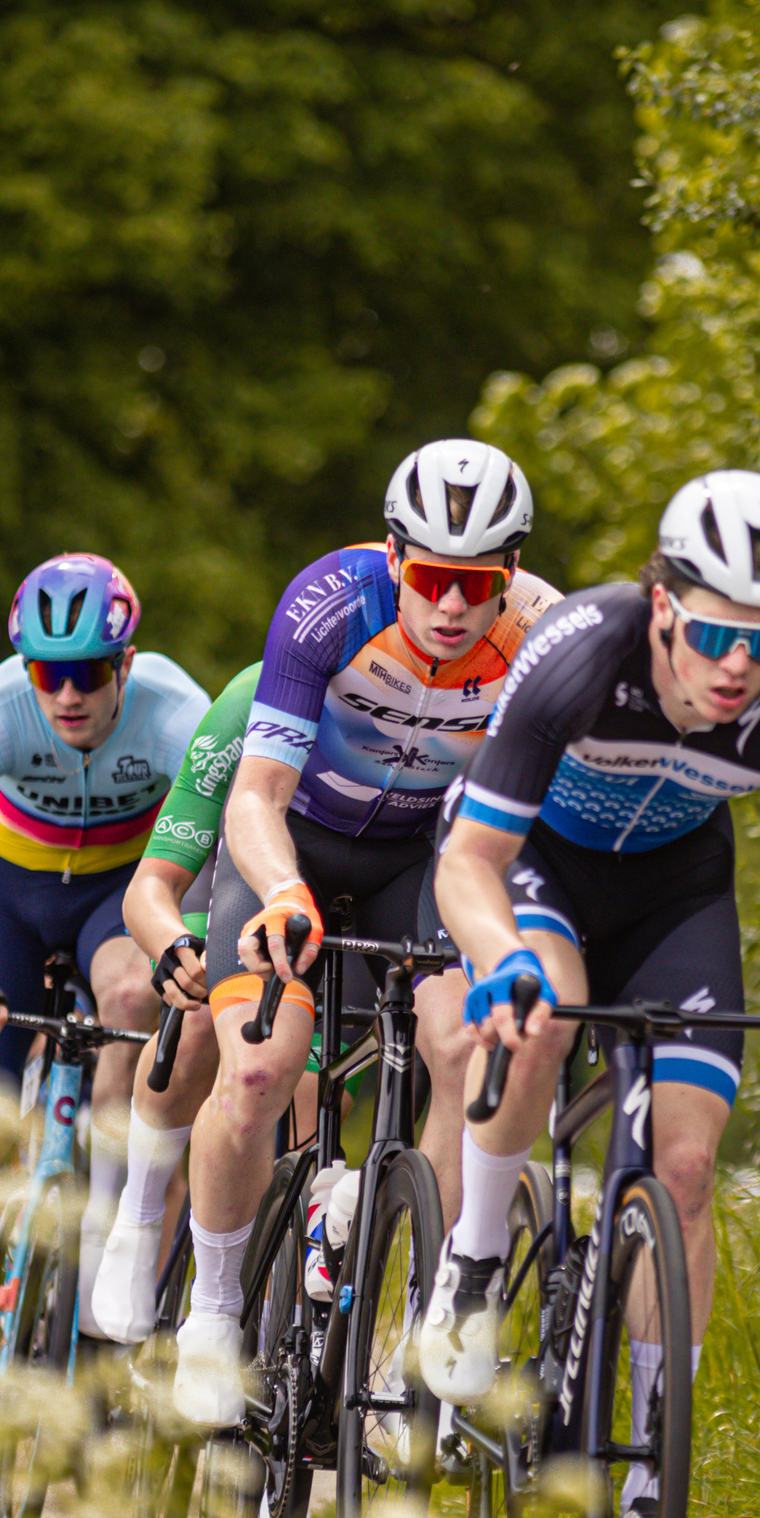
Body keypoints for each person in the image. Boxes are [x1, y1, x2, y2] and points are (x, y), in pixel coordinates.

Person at [432, 471, 760, 1518]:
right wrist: (501, 960)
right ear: (662, 603)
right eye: (714, 632)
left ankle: (647, 1489)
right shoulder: (581, 648)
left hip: (678, 895)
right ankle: (474, 1265)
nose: (736, 666)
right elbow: (467, 861)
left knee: (682, 1167)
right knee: (543, 1022)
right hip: (539, 869)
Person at [171, 439, 556, 1431]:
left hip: (422, 861)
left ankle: (414, 1325)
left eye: (477, 583)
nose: (451, 604)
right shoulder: (328, 604)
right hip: (295, 845)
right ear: (393, 557)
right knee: (258, 1069)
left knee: (460, 1041)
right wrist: (280, 891)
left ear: (507, 573)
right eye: (429, 576)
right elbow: (255, 793)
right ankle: (211, 1316)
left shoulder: (537, 637)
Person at [0, 564, 207, 1502]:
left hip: (118, 896)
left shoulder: (176, 710)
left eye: (90, 672)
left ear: (127, 662)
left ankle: (115, 1233)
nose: (67, 693)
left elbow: (214, 856)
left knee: (132, 996)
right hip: (11, 906)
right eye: (47, 673)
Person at [90, 661, 259, 1343]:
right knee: (196, 1026)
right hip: (240, 882)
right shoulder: (247, 702)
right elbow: (154, 886)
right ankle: (138, 1212)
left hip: (364, 890)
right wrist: (170, 944)